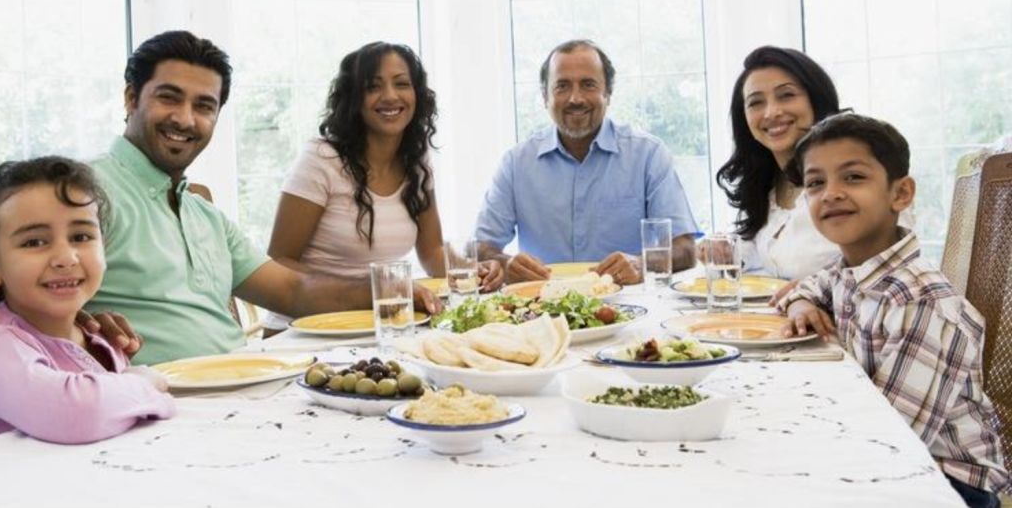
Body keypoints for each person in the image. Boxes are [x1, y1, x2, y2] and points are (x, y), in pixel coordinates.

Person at [85, 30, 441, 365]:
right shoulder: (85, 190)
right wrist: (76, 326)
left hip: (241, 383)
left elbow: (292, 291)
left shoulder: (203, 215)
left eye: (204, 106)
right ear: (131, 98)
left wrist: (390, 289)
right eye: (169, 97)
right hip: (165, 405)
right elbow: (31, 308)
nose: (185, 119)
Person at [777, 113, 1008, 507]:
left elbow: (888, 445)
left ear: (900, 194)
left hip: (947, 481)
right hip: (882, 449)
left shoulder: (921, 304)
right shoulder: (852, 269)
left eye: (853, 177)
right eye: (816, 183)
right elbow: (812, 286)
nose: (831, 193)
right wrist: (800, 301)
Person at [0, 157, 174, 456]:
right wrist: (144, 383)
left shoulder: (96, 339)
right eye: (35, 242)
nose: (66, 257)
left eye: (81, 237)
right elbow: (77, 414)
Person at [262, 42, 502, 335]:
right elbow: (278, 263)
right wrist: (367, 290)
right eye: (373, 86)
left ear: (417, 94)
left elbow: (432, 252)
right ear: (354, 98)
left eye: (402, 84)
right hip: (306, 329)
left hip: (379, 325)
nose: (390, 96)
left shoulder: (417, 160)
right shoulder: (321, 159)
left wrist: (475, 271)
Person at [475, 39, 698, 285]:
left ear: (608, 93)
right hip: (542, 309)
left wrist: (641, 264)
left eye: (588, 85)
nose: (575, 98)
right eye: (562, 86)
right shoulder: (516, 164)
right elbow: (481, 248)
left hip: (631, 306)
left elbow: (686, 250)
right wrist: (506, 265)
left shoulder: (648, 155)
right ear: (545, 96)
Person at [715, 46, 842, 281]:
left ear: (815, 99)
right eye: (755, 103)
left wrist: (808, 295)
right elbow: (757, 255)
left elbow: (878, 269)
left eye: (786, 95)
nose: (771, 112)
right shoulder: (768, 184)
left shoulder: (852, 175)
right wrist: (722, 249)